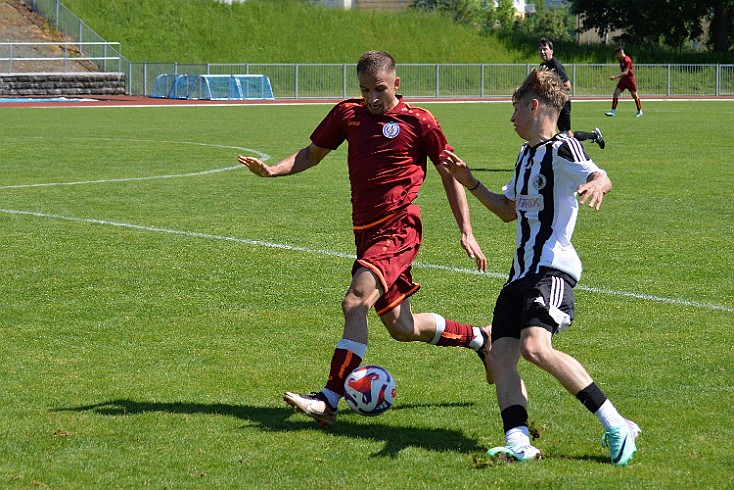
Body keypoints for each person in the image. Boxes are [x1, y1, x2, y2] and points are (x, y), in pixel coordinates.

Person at [238, 50, 493, 428]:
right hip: (366, 233)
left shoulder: (419, 121)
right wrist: (271, 170)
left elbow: (450, 173)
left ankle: (328, 399)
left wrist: (466, 230)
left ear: (397, 83)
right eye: (364, 90)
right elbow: (311, 154)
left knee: (355, 302)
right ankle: (480, 339)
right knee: (401, 327)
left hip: (399, 228)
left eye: (380, 89)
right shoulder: (348, 114)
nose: (372, 98)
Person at [439, 69, 640, 466]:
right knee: (500, 354)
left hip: (551, 268)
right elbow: (507, 211)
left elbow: (599, 174)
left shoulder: (564, 147)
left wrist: (600, 184)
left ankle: (617, 424)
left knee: (534, 346)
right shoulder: (525, 155)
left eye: (515, 109)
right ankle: (518, 443)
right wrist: (471, 182)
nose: (511, 118)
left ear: (534, 106)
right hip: (519, 274)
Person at [537, 38, 605, 149]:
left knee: (567, 135)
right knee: (547, 130)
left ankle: (593, 135)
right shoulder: (543, 66)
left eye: (545, 49)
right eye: (540, 50)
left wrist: (549, 89)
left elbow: (567, 85)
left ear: (551, 51)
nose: (542, 52)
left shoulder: (555, 64)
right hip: (553, 105)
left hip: (563, 104)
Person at [605, 47, 643, 117]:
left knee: (634, 95)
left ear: (620, 53)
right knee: (616, 93)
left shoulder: (627, 60)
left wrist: (615, 77)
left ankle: (640, 111)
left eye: (617, 54)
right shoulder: (620, 59)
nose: (616, 56)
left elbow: (626, 72)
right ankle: (613, 112)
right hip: (623, 80)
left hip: (629, 80)